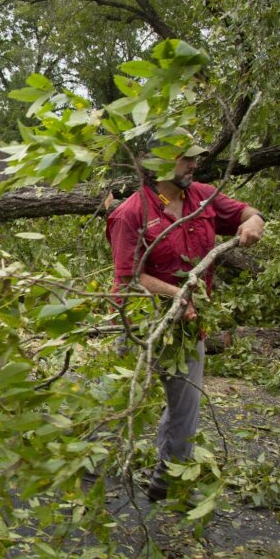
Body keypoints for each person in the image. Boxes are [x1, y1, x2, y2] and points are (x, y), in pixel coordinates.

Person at [106, 147, 265, 501]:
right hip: (141, 325)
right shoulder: (131, 213)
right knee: (122, 403)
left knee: (185, 407)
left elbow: (243, 210)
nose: (194, 164)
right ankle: (93, 475)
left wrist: (255, 219)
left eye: (194, 158)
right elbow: (129, 277)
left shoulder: (203, 196)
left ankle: (168, 483)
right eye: (185, 158)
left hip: (189, 326)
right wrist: (176, 294)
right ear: (157, 163)